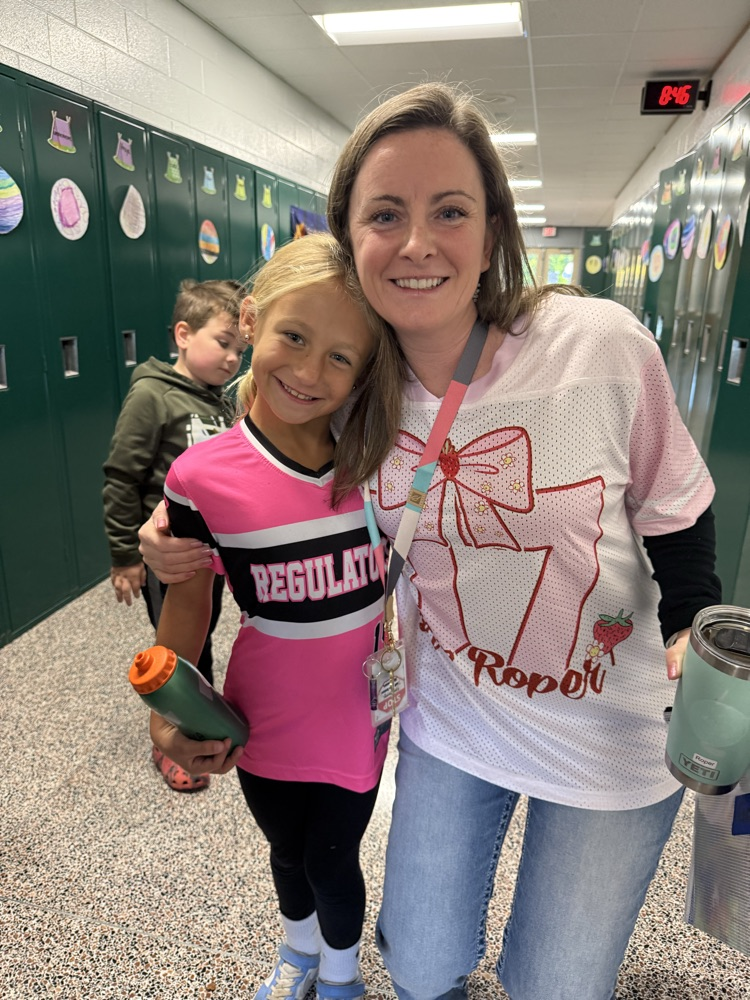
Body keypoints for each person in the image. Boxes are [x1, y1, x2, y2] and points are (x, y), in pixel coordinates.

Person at [139, 83, 722, 1000]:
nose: (417, 243)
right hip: (456, 717)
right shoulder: (351, 395)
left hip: (612, 731)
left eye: (450, 211)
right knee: (415, 963)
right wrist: (172, 537)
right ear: (349, 238)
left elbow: (675, 506)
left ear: (492, 230)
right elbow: (252, 484)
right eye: (385, 214)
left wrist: (691, 625)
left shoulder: (599, 345)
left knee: (555, 986)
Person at [148, 234, 401, 1000]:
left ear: (364, 371)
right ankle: (297, 954)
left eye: (340, 357)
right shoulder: (200, 477)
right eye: (294, 336)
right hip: (264, 714)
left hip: (357, 714)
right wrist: (166, 716)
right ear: (251, 320)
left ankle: (342, 975)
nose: (309, 371)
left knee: (333, 857)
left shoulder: (380, 463)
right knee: (286, 851)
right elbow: (190, 603)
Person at [103, 277, 246, 791]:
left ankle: (202, 715)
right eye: (223, 343)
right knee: (180, 655)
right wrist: (125, 557)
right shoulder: (152, 396)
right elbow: (122, 478)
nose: (233, 358)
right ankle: (175, 741)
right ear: (183, 334)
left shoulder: (221, 402)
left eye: (240, 349)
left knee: (203, 637)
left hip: (211, 558)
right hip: (171, 558)